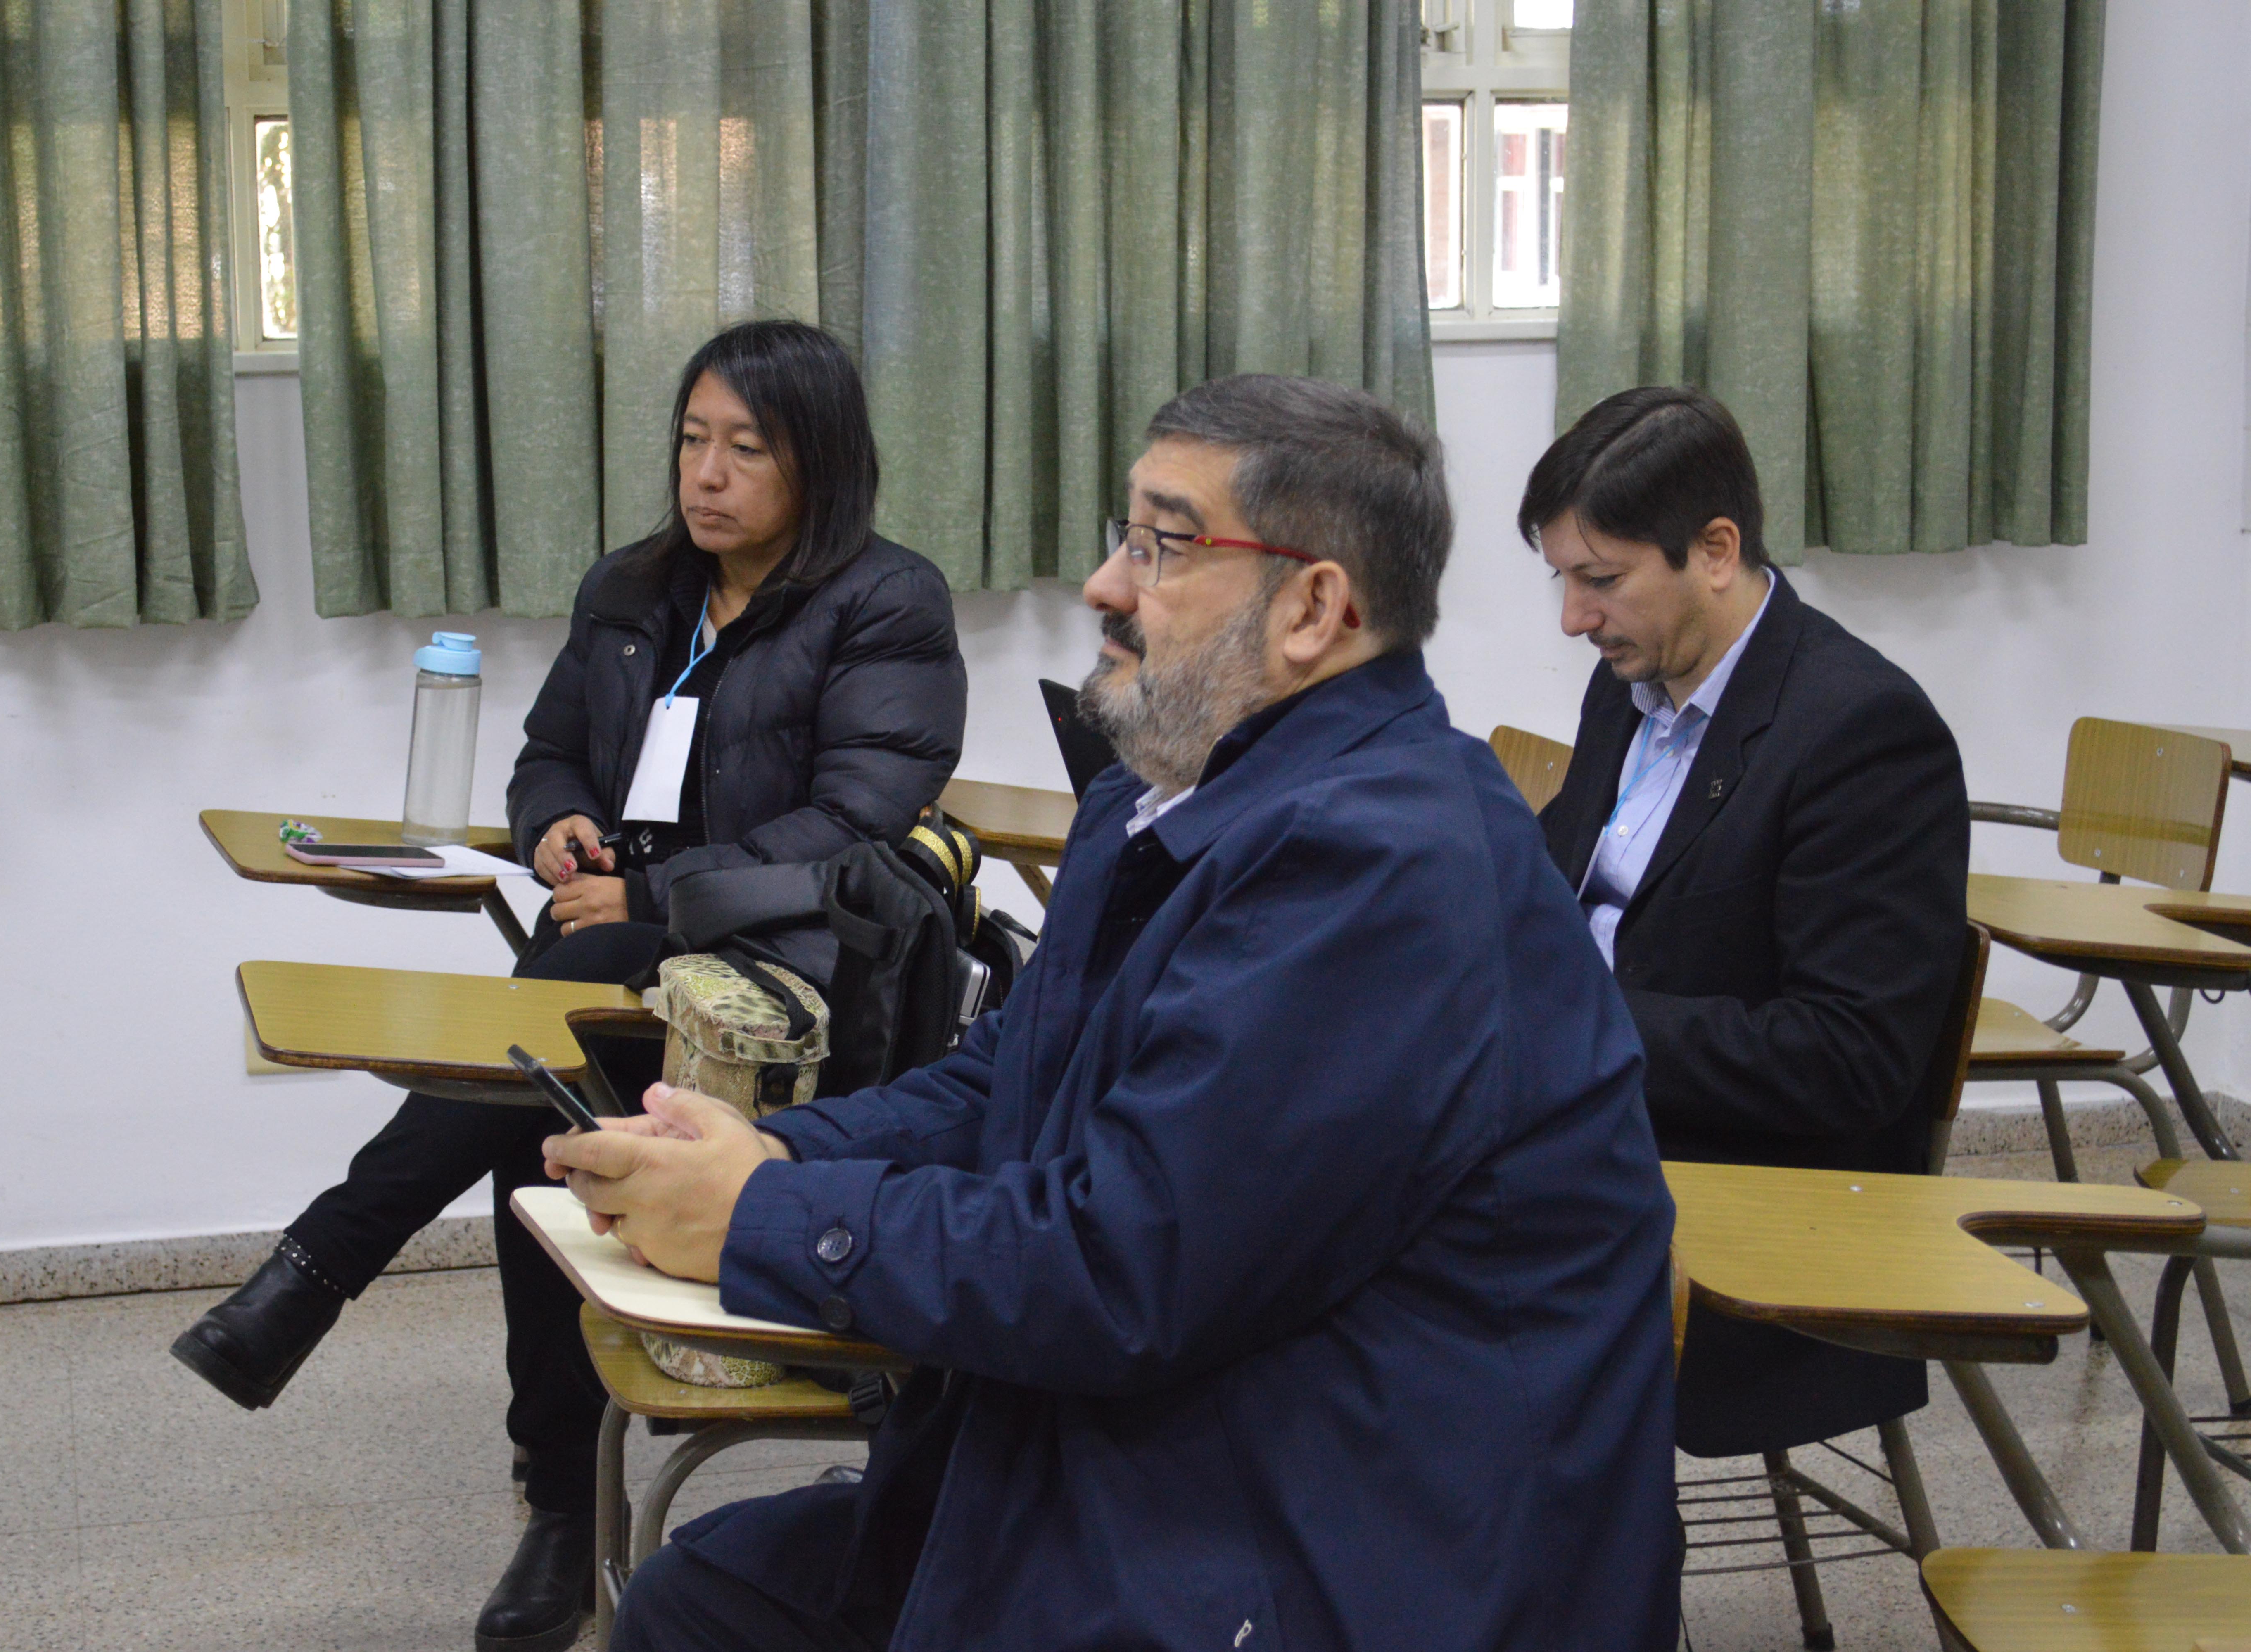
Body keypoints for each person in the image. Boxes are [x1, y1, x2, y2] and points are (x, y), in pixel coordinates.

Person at [549, 374, 1684, 1652]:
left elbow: (1123, 1267)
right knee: (707, 1599)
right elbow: (1008, 1082)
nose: (1104, 585)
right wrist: (766, 1155)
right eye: (1123, 537)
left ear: (1315, 609)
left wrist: (762, 1218)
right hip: (1197, 1435)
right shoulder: (1166, 796)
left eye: (1162, 547)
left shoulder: (1384, 865)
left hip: (1355, 1538)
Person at [170, 320, 967, 1652]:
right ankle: (556, 1495)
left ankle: (321, 1271)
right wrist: (556, 828)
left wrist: (653, 900)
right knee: (541, 1111)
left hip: (789, 986)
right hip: (612, 957)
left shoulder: (887, 602)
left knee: (553, 1030)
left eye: (746, 449)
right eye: (693, 440)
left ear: (819, 463)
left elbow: (856, 825)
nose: (706, 475)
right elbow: (548, 755)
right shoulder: (636, 590)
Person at [1521, 384, 1970, 1457]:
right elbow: (1553, 882)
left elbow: (1850, 1058)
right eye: (1563, 581)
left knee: (1368, 1256)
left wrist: (1570, 1026)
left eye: (1601, 580)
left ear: (1716, 551)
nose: (1574, 618)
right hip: (1590, 1116)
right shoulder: (1630, 684)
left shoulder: (1860, 730)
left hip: (1739, 1179)